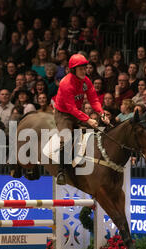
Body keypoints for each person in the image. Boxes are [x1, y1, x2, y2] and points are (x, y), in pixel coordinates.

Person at [52, 53, 105, 185]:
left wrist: (101, 114)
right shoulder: (66, 83)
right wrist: (88, 120)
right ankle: (61, 171)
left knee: (98, 128)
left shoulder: (86, 81)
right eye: (80, 68)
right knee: (66, 138)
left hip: (77, 111)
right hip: (63, 113)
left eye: (85, 68)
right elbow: (71, 109)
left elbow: (93, 99)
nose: (84, 71)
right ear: (73, 70)